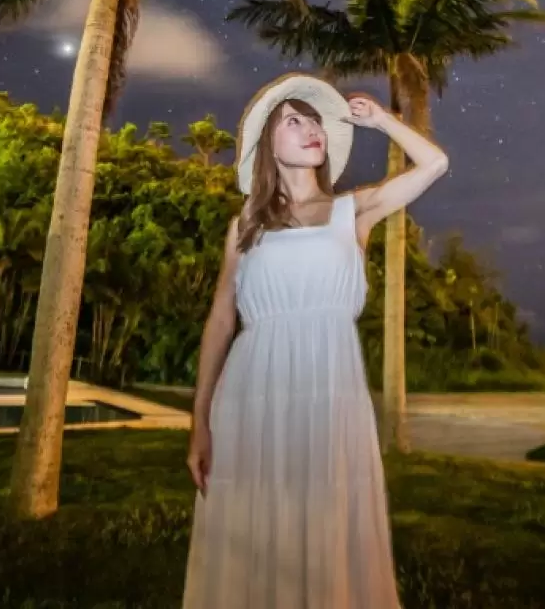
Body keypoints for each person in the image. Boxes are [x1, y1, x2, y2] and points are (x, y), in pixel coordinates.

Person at [181, 73, 449, 608]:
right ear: (267, 147)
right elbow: (219, 322)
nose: (312, 129)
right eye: (293, 121)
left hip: (331, 390)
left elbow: (435, 165)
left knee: (327, 515)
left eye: (315, 121)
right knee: (254, 525)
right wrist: (200, 421)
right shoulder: (245, 228)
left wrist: (382, 121)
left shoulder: (355, 211)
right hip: (252, 393)